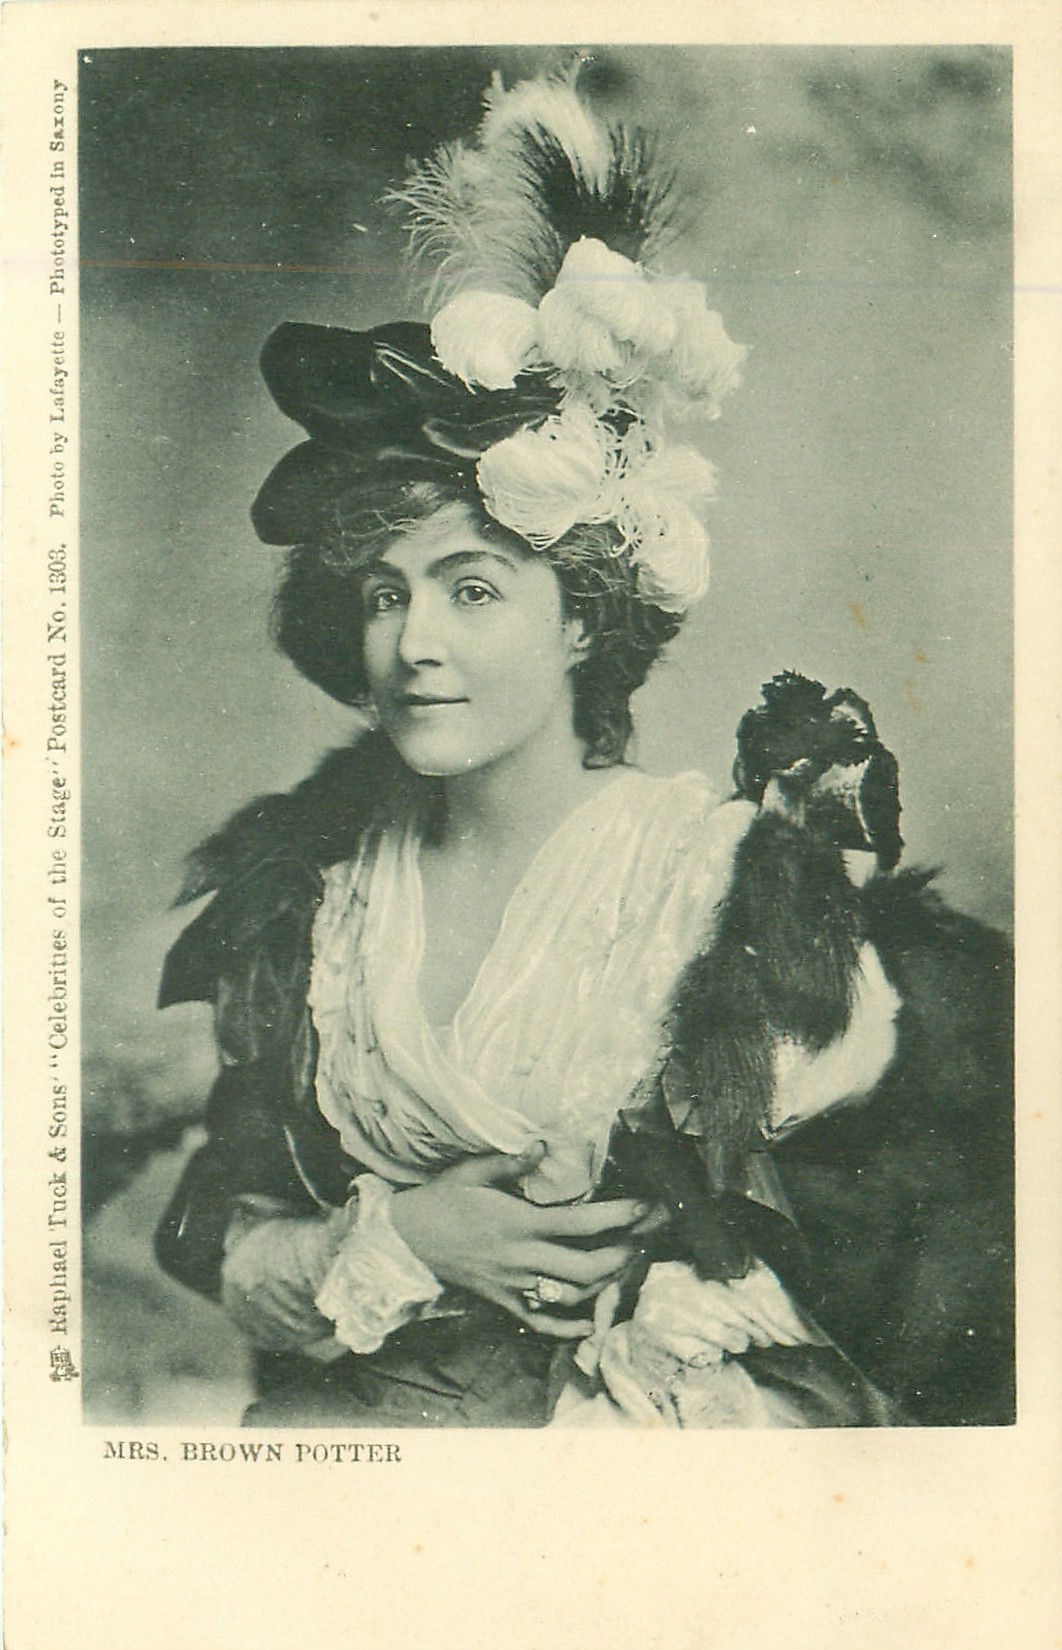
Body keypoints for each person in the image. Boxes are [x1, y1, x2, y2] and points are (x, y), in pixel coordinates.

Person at [155, 68, 1013, 1428]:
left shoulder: (726, 885)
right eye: (383, 594)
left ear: (579, 619)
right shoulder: (312, 903)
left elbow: (935, 1266)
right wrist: (403, 1240)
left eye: (473, 589)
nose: (415, 643)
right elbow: (227, 1229)